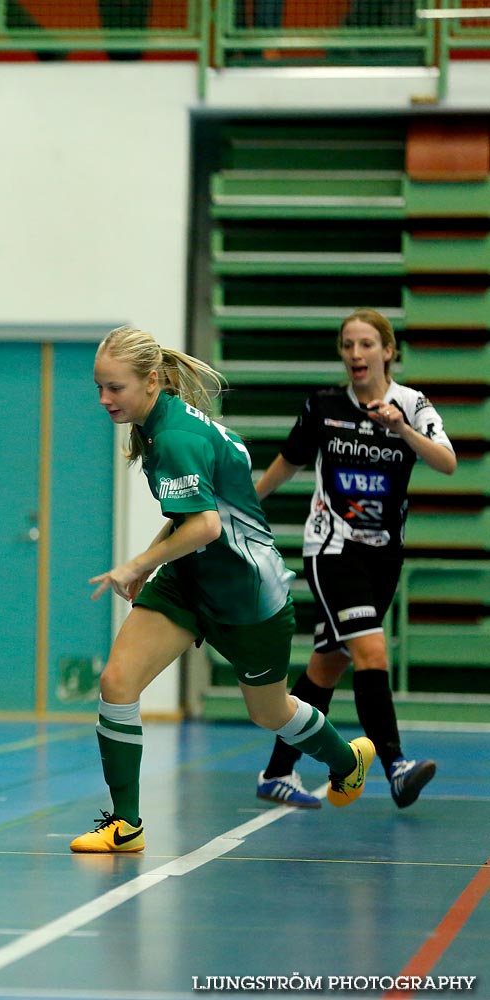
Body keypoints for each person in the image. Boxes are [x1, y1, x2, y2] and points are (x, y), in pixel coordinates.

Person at [75, 325, 374, 854]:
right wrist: (151, 564)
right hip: (189, 581)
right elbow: (192, 515)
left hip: (247, 594)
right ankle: (126, 824)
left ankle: (347, 760)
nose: (104, 399)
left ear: (149, 381)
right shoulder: (154, 422)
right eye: (99, 386)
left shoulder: (174, 437)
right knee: (117, 682)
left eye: (113, 388)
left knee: (270, 711)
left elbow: (207, 526)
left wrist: (135, 563)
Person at [253, 308, 456, 810]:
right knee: (371, 653)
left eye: (366, 344)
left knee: (325, 668)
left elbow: (446, 462)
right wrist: (243, 504)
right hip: (333, 548)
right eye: (347, 345)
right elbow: (287, 464)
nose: (355, 355)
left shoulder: (412, 404)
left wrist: (402, 430)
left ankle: (277, 772)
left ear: (388, 351)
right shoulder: (323, 406)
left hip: (384, 557)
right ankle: (396, 765)